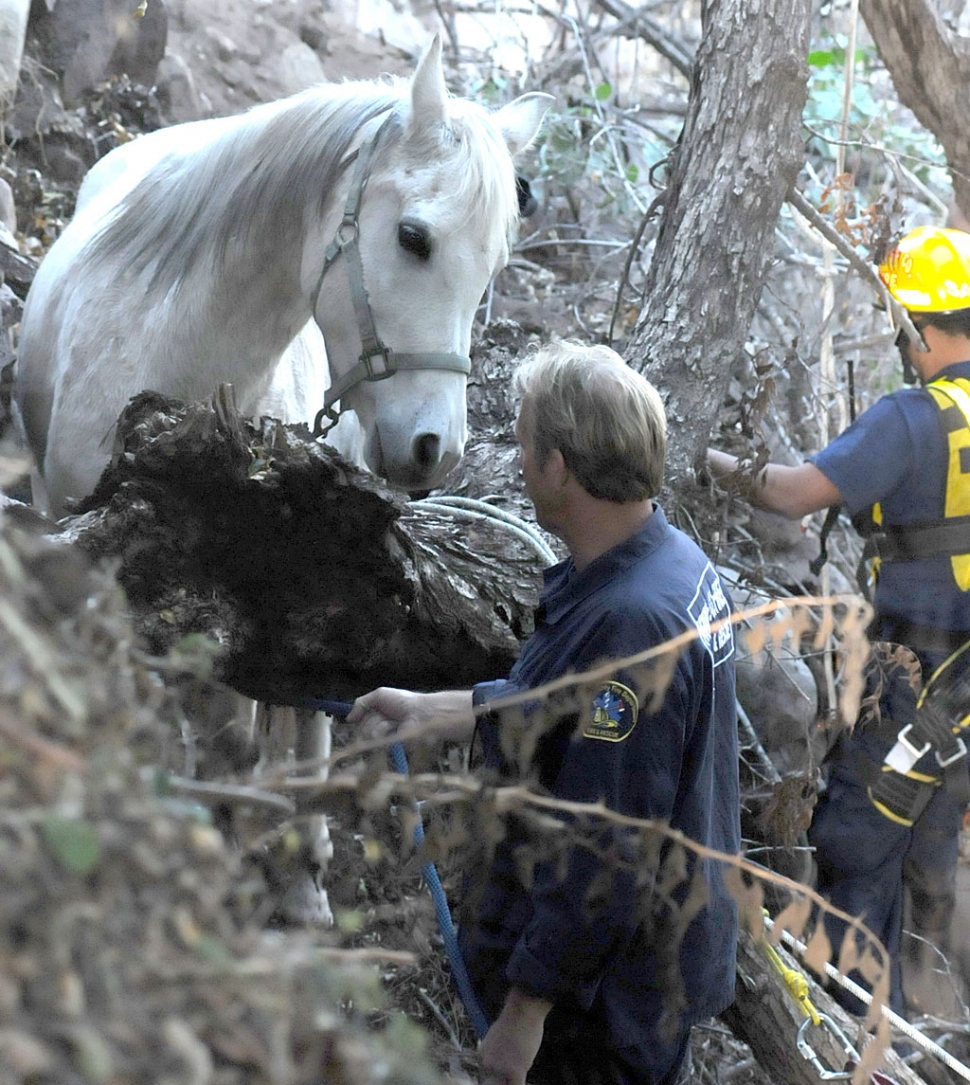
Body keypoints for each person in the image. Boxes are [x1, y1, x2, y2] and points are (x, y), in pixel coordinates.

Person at [348, 341, 740, 1085]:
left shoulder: (635, 624)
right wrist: (432, 710)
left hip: (602, 1007)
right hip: (637, 970)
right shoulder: (670, 565)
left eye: (526, 445)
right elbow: (563, 708)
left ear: (558, 465)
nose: (519, 461)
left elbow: (604, 849)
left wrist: (526, 1015)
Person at [706, 224, 970, 1018]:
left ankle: (859, 1034)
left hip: (912, 690)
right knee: (929, 857)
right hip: (965, 701)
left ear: (916, 330)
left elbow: (791, 494)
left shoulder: (911, 417)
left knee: (857, 842)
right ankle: (922, 1021)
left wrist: (703, 458)